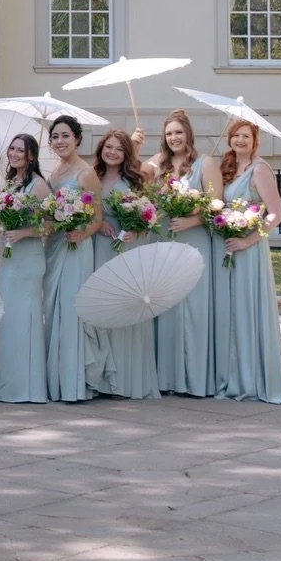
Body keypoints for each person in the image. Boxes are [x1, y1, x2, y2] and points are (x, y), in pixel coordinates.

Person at [216, 118, 281, 404]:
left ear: (255, 141)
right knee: (230, 311)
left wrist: (247, 240)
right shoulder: (226, 168)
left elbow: (276, 214)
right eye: (236, 136)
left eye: (246, 137)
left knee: (247, 309)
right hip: (228, 247)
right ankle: (232, 375)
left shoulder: (260, 169)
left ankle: (252, 379)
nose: (240, 140)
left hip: (249, 249)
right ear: (229, 139)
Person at [146, 110, 221, 398]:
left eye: (178, 132)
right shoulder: (161, 164)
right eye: (168, 134)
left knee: (192, 307)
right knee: (166, 306)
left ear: (188, 133)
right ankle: (166, 376)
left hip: (193, 240)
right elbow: (140, 175)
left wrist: (192, 219)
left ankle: (193, 378)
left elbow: (216, 202)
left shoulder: (206, 163)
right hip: (164, 239)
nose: (174, 138)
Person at [86, 129, 159, 399]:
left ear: (127, 152)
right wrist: (98, 222)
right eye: (108, 147)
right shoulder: (92, 175)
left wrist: (136, 229)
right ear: (101, 149)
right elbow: (87, 209)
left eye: (118, 148)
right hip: (101, 247)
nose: (112, 152)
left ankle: (126, 379)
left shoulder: (137, 179)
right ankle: (104, 378)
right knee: (103, 308)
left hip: (128, 248)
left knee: (126, 307)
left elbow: (150, 214)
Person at [42, 115, 102, 403]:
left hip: (77, 247)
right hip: (54, 245)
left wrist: (82, 232)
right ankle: (56, 379)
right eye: (55, 136)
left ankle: (74, 382)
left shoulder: (86, 173)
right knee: (54, 309)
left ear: (77, 139)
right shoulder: (52, 174)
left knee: (72, 308)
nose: (60, 141)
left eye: (65, 135)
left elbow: (98, 218)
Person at [0, 131, 51, 404]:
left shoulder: (38, 185)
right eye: (12, 149)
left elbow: (53, 222)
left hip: (27, 256)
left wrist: (25, 233)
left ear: (31, 156)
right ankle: (9, 383)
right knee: (7, 318)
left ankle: (29, 387)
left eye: (20, 150)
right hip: (8, 255)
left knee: (24, 317)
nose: (14, 154)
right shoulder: (10, 182)